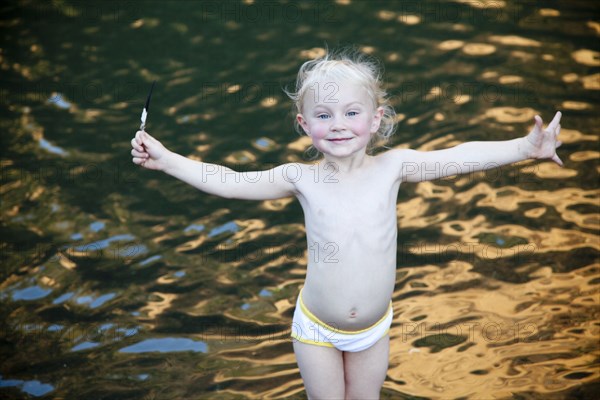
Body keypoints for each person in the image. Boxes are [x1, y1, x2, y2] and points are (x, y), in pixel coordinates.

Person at [130, 49, 563, 399]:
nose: (338, 125)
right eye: (323, 115)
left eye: (351, 113)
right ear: (304, 125)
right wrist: (167, 161)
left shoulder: (394, 167)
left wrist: (525, 147)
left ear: (375, 120)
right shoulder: (301, 178)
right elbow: (229, 181)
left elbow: (459, 157)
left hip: (373, 330)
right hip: (316, 328)